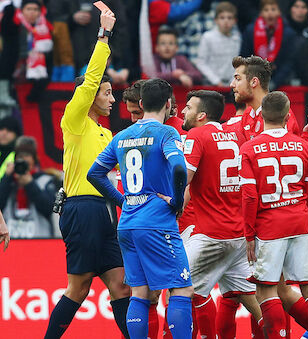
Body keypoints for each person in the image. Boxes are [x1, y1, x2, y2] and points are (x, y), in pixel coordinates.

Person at [44, 9, 131, 339]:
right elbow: (92, 77)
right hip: (81, 209)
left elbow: (126, 171)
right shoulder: (75, 121)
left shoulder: (107, 135)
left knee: (121, 286)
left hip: (108, 213)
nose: (112, 99)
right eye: (107, 93)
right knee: (78, 289)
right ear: (89, 97)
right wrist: (104, 36)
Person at [87, 78, 193, 339]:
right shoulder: (166, 133)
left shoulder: (122, 135)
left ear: (142, 104)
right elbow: (179, 168)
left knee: (140, 293)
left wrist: (123, 200)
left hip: (128, 224)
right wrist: (177, 200)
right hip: (157, 223)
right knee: (181, 289)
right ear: (168, 105)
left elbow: (95, 174)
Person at [240, 91, 308, 338]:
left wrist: (249, 234)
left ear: (261, 118)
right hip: (300, 223)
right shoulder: (304, 146)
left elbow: (249, 196)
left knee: (267, 292)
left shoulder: (249, 149)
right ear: (288, 113)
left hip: (269, 227)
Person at [180, 90, 265, 339]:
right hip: (240, 237)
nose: (184, 111)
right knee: (256, 303)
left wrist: (169, 205)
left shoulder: (195, 135)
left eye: (188, 107)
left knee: (179, 289)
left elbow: (184, 179)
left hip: (211, 237)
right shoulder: (237, 136)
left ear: (202, 115)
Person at [230, 55, 308, 142]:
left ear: (254, 82)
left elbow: (290, 153)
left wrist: (306, 135)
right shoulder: (247, 115)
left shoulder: (279, 112)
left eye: (238, 79)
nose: (232, 85)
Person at [0, 136, 58, 239]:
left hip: (40, 239)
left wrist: (30, 184)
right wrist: (6, 178)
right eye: (20, 156)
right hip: (10, 240)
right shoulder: (9, 181)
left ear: (34, 159)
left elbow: (50, 208)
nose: (23, 159)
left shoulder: (45, 180)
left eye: (27, 155)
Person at [240, 0, 298, 89]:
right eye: (266, 10)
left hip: (280, 82)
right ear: (261, 13)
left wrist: (274, 83)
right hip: (254, 81)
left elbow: (289, 62)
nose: (270, 13)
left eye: (273, 9)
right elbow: (245, 57)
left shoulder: (289, 33)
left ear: (279, 12)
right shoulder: (250, 31)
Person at [194, 1, 242, 86]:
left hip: (231, 84)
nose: (226, 21)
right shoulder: (207, 37)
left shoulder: (237, 39)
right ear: (216, 20)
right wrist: (216, 81)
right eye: (222, 18)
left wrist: (233, 80)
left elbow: (236, 64)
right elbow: (201, 62)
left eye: (229, 18)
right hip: (210, 84)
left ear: (235, 21)